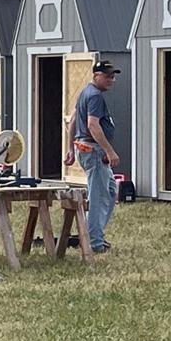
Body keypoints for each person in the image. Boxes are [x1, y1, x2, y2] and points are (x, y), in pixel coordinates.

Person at [63, 61, 121, 254]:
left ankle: (92, 234)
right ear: (96, 75)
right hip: (94, 151)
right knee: (98, 196)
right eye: (107, 76)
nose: (111, 80)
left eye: (113, 76)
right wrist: (109, 151)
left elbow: (72, 121)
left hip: (84, 147)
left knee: (111, 190)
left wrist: (70, 148)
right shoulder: (94, 96)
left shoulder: (85, 93)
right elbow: (93, 126)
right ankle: (93, 242)